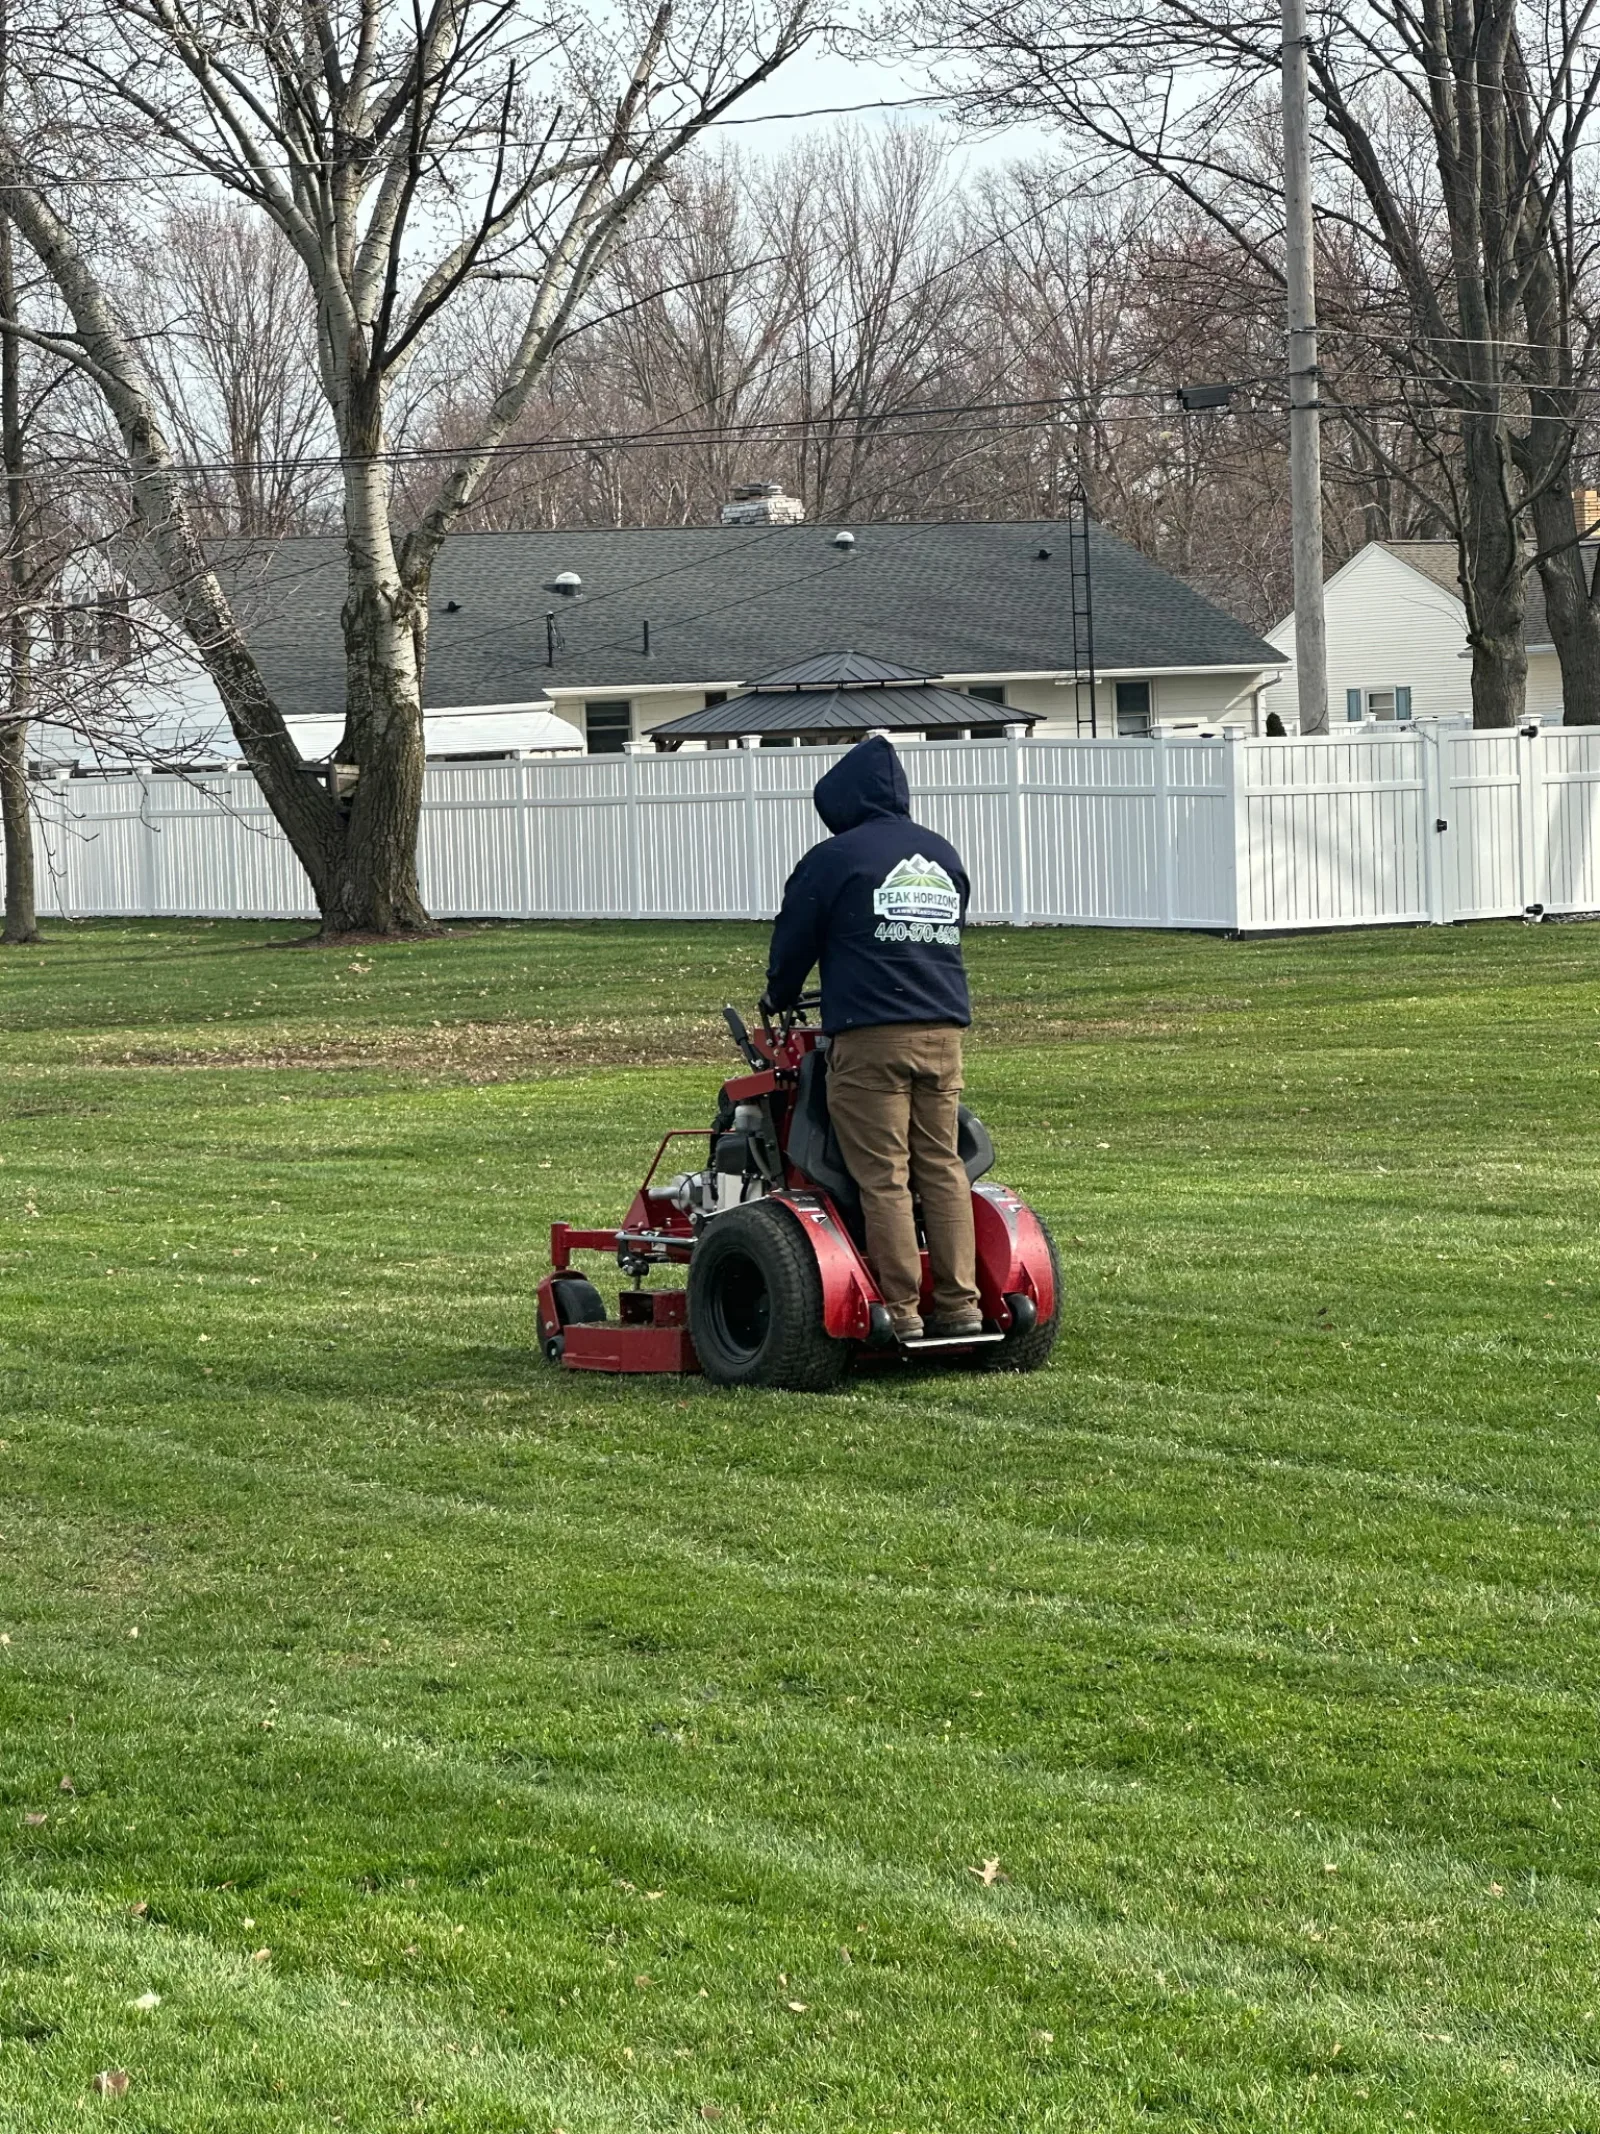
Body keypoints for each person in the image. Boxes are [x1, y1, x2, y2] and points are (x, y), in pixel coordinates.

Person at [763, 734, 982, 1343]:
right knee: (941, 1167)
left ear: (840, 801)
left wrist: (778, 995)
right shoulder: (942, 855)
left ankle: (901, 1310)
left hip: (871, 1041)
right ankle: (961, 1306)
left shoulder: (836, 858)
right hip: (943, 1033)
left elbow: (795, 939)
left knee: (883, 1174)